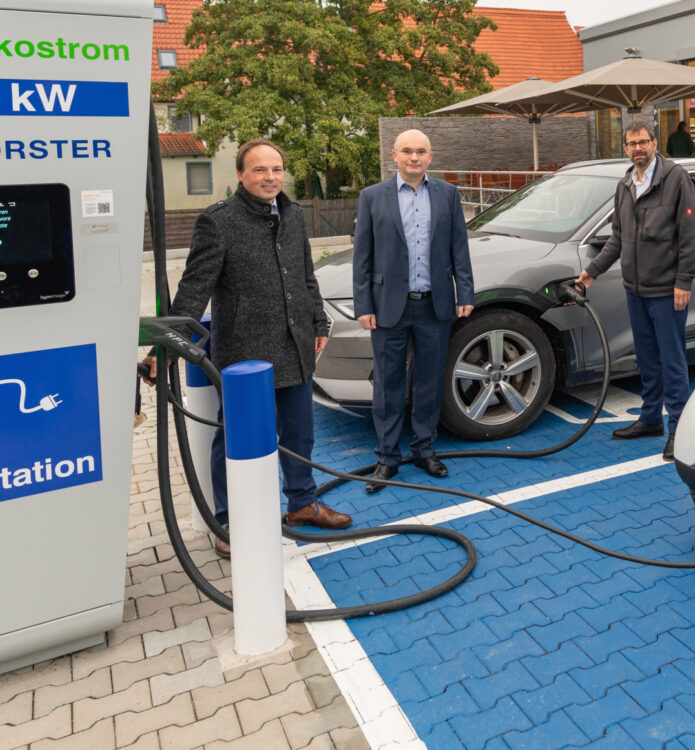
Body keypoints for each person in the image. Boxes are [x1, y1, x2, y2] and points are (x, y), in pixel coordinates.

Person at [145, 139, 350, 559]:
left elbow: (305, 278)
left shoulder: (291, 215)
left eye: (276, 169)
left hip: (295, 345)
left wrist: (319, 321)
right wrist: (162, 346)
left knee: (299, 432)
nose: (270, 177)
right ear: (240, 175)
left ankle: (301, 504)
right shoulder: (218, 222)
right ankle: (227, 520)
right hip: (244, 355)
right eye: (259, 170)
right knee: (235, 440)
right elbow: (194, 288)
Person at [353, 129, 474, 492]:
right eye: (407, 151)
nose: (414, 158)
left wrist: (464, 291)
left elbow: (459, 248)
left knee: (428, 383)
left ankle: (424, 449)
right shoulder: (372, 197)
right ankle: (387, 458)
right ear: (394, 155)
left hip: (434, 305)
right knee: (387, 386)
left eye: (421, 151)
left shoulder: (448, 194)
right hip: (388, 307)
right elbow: (363, 255)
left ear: (430, 157)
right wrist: (363, 304)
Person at [574, 121, 695, 461]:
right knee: (646, 357)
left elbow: (690, 233)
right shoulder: (626, 184)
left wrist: (684, 281)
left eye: (643, 142)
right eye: (632, 144)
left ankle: (678, 429)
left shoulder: (675, 178)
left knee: (672, 360)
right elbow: (618, 237)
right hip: (636, 288)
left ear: (655, 143)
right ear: (625, 148)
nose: (638, 148)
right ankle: (649, 419)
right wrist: (592, 272)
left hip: (667, 288)